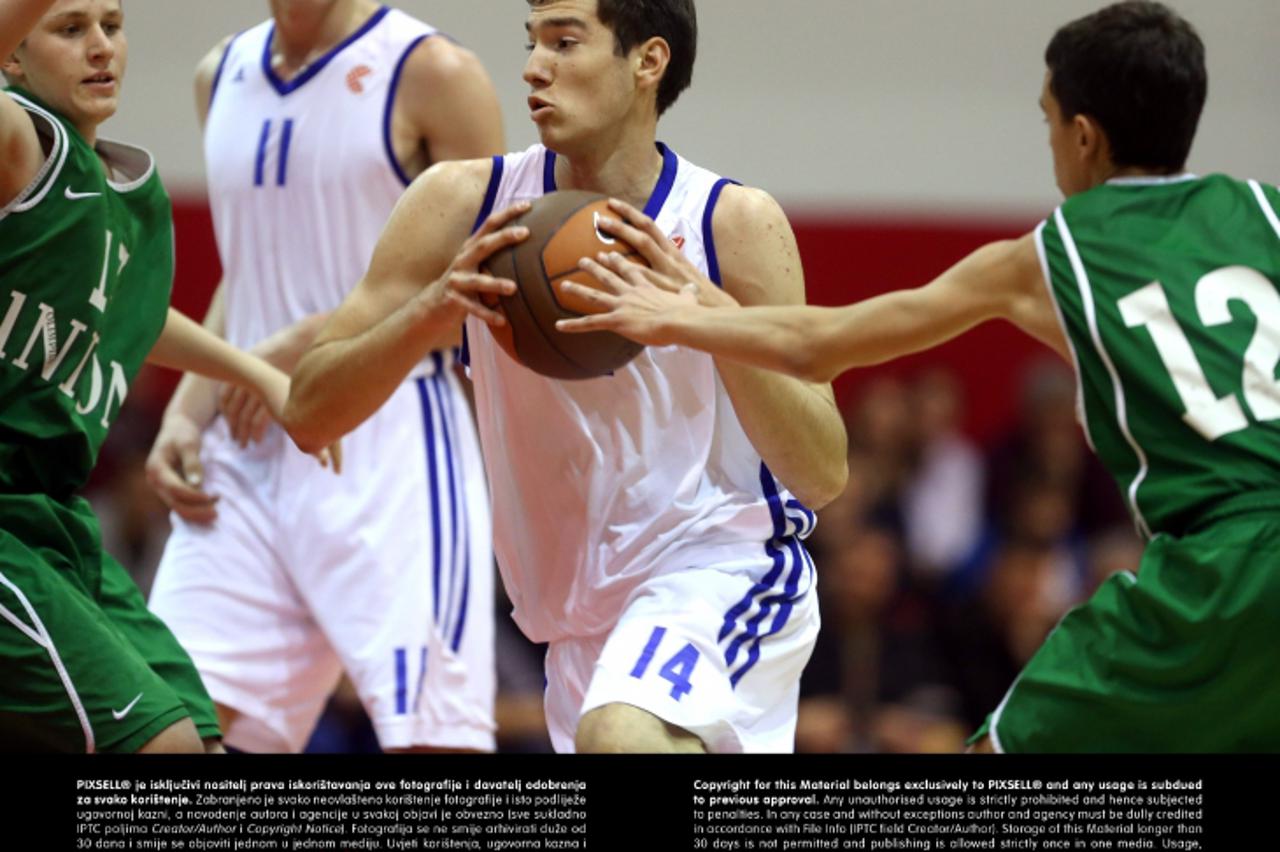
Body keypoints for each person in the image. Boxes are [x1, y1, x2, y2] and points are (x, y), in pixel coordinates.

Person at [557, 0, 1280, 752]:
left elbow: (822, 344)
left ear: (1084, 136)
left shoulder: (1053, 252)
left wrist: (681, 315)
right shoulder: (1267, 212)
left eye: (1048, 122)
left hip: (1219, 568)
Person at [285, 0, 849, 753]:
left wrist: (709, 317)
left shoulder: (730, 223)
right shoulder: (465, 206)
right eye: (531, 42)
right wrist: (433, 308)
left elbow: (824, 471)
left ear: (648, 62)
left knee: (619, 733)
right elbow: (309, 410)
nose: (532, 67)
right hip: (574, 623)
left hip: (721, 568)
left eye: (564, 41)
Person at [144, 0, 504, 753]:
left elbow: (475, 277)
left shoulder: (435, 73)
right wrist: (186, 409)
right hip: (244, 448)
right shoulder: (221, 73)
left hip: (390, 434)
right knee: (176, 731)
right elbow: (251, 270)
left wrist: (297, 345)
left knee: (433, 742)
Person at [0, 0, 332, 753]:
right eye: (69, 27)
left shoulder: (125, 198)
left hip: (54, 523)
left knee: (207, 742)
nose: (100, 47)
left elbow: (132, 316)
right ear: (14, 57)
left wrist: (265, 377)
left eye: (111, 26)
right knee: (165, 750)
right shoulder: (17, 140)